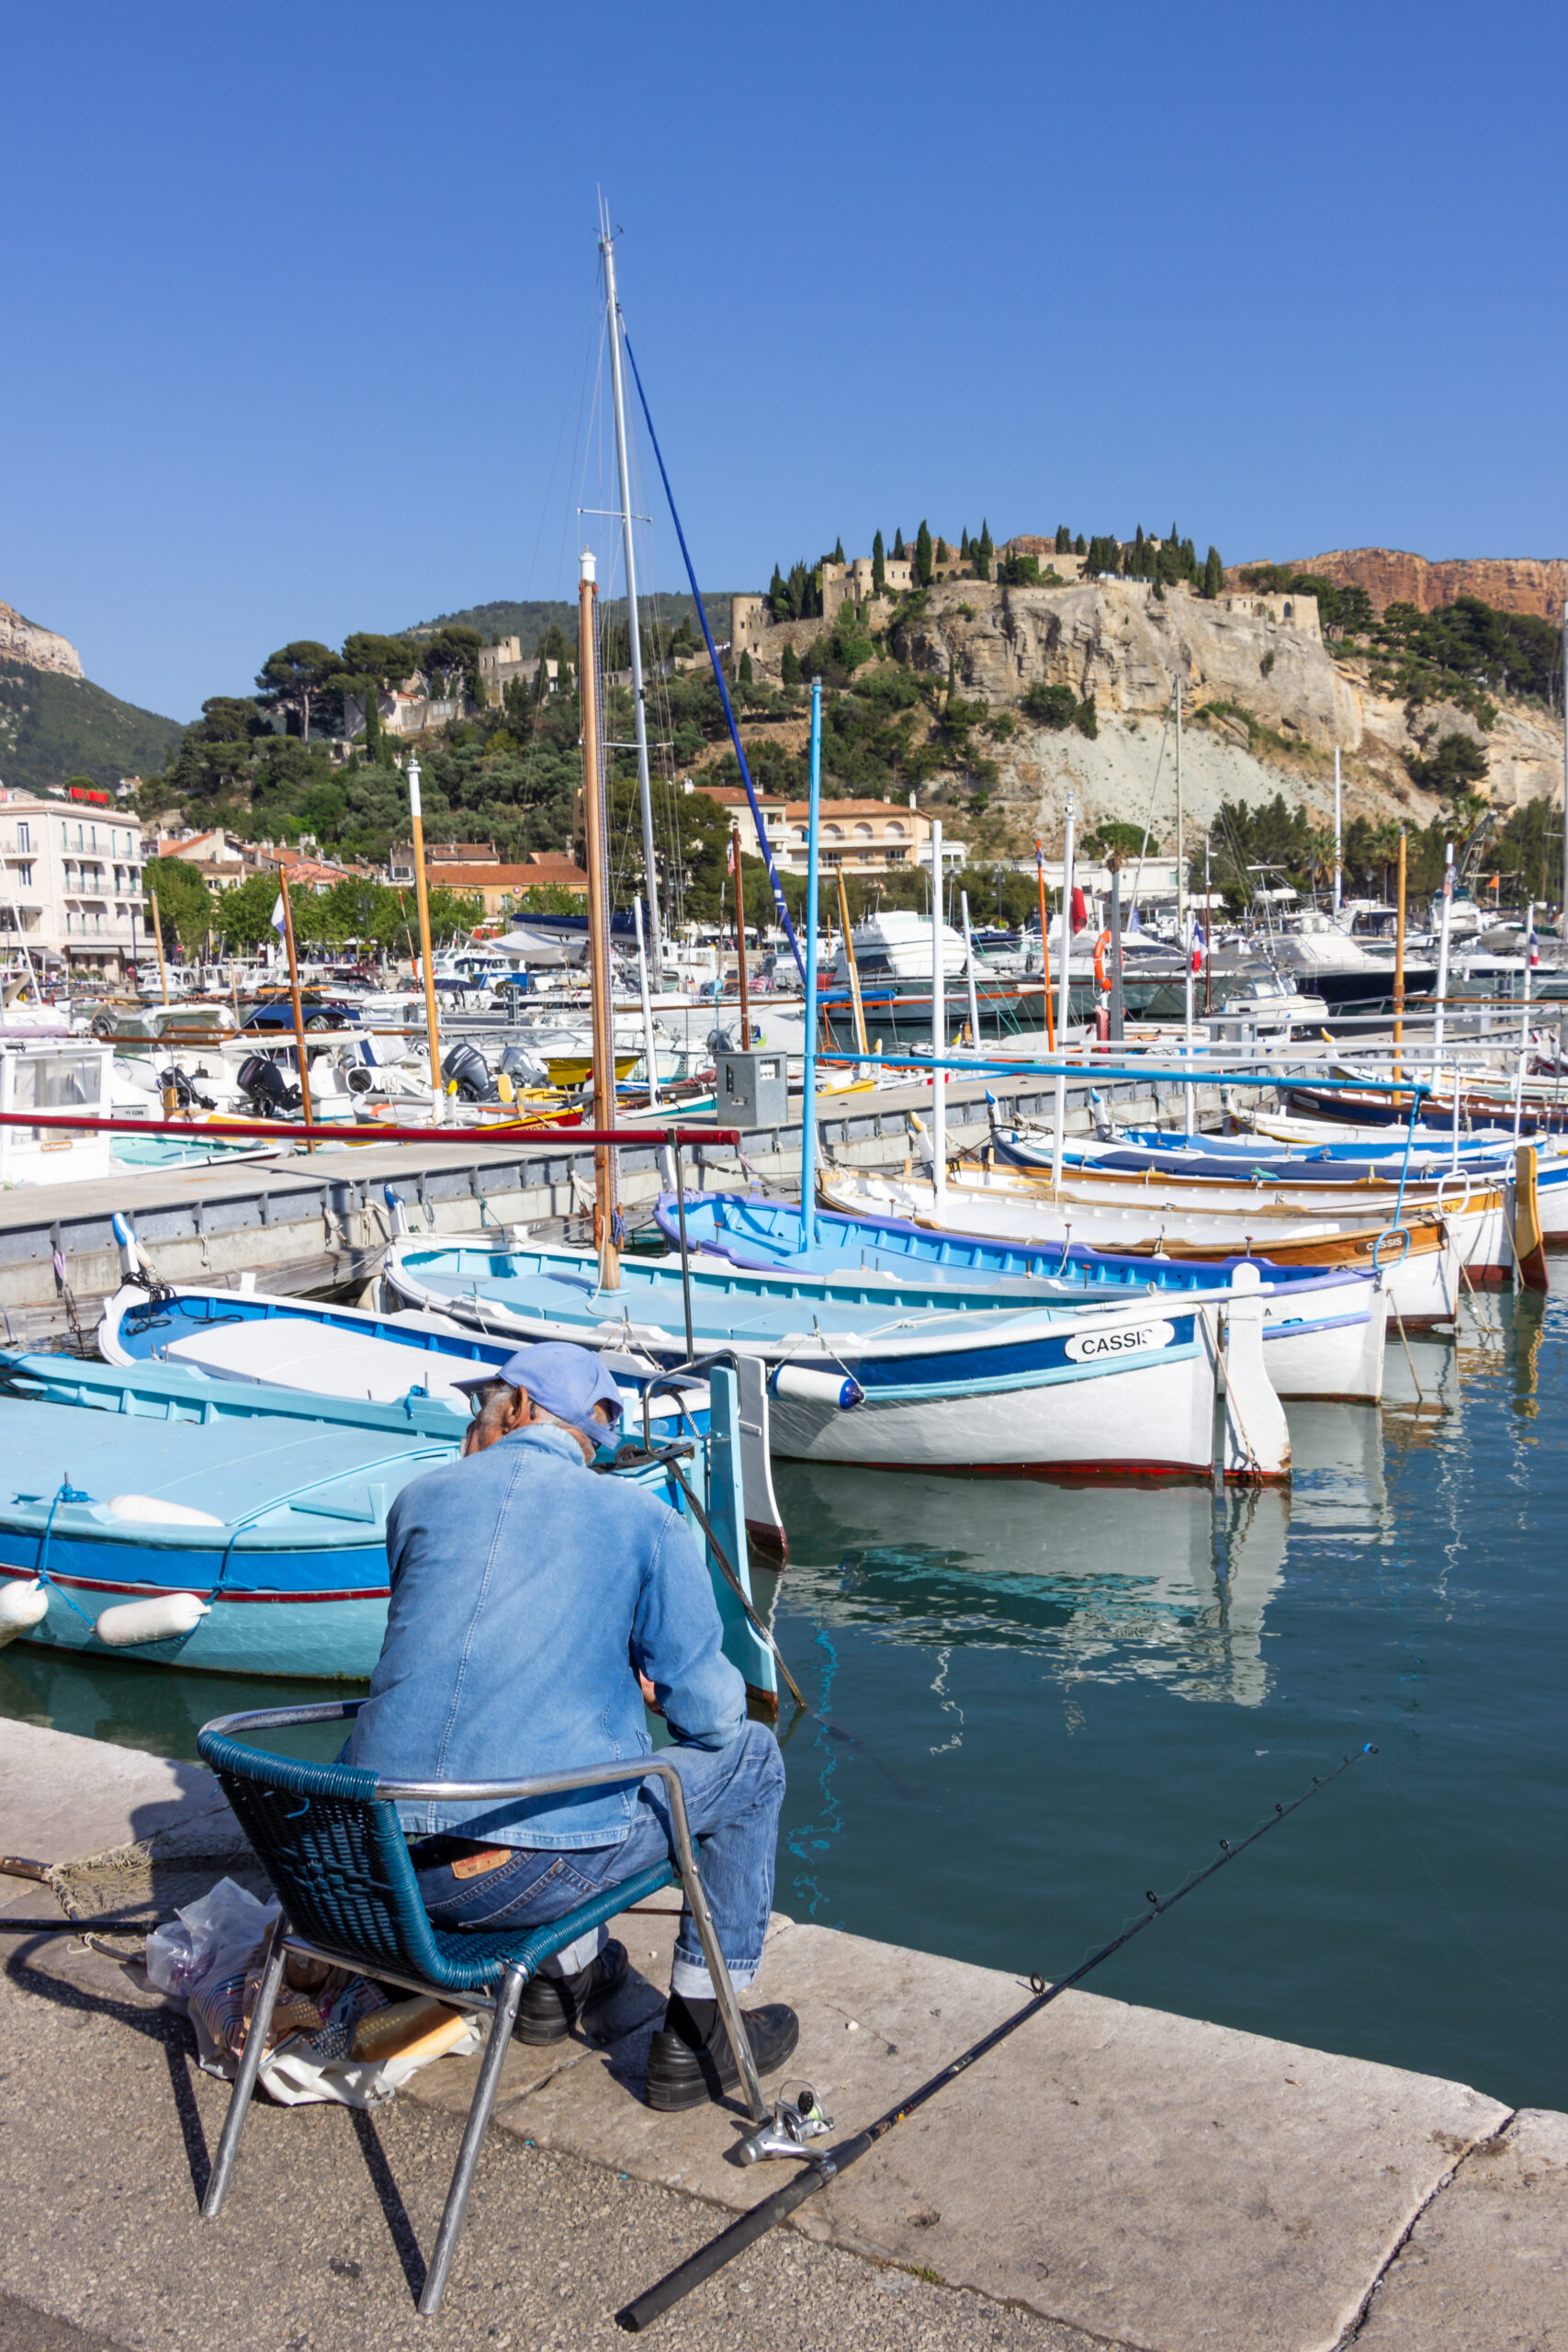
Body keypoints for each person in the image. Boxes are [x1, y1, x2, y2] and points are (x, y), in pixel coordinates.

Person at [347, 1340, 797, 2111]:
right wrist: (655, 1694)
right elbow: (714, 1717)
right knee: (751, 1761)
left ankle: (557, 1989)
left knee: (566, 1754)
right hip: (508, 1885)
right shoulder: (643, 1520)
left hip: (364, 1867)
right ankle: (698, 2038)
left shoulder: (418, 1498)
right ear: (594, 1434)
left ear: (517, 1408)